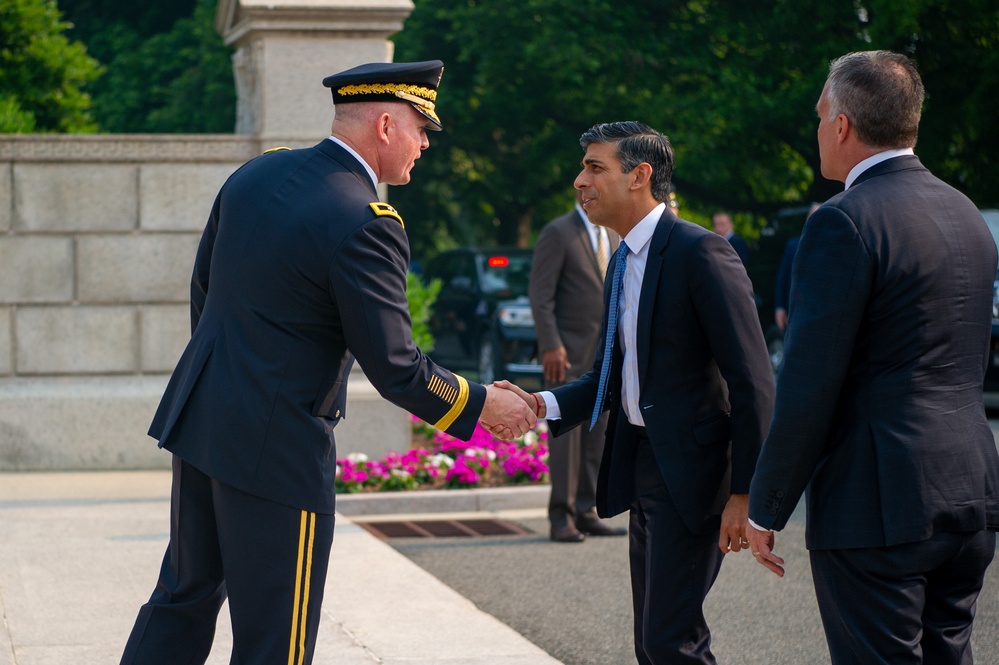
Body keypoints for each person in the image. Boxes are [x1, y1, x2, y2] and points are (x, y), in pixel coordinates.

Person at [119, 60, 535, 665]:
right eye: (423, 129)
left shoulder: (256, 174)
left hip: (204, 419)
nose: (425, 145)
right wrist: (481, 405)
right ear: (387, 125)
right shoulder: (366, 222)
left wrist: (233, 382)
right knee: (276, 642)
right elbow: (396, 367)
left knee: (181, 600)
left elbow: (205, 293)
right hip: (278, 445)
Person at [746, 50, 999, 665]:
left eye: (818, 116)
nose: (817, 132)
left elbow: (808, 381)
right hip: (971, 487)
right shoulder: (965, 212)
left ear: (840, 125)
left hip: (878, 500)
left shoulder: (844, 222)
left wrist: (766, 503)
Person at [497, 121, 774, 663]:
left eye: (595, 167)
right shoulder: (623, 259)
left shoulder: (702, 253)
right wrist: (538, 405)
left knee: (671, 643)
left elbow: (754, 382)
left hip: (692, 478)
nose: (580, 180)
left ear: (641, 176)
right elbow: (606, 374)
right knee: (653, 643)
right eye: (583, 168)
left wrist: (746, 494)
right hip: (643, 465)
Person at [529, 191, 627, 543]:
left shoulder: (614, 233)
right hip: (565, 355)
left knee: (598, 431)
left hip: (605, 353)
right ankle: (561, 516)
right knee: (566, 436)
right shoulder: (558, 232)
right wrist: (550, 344)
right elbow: (540, 296)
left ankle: (586, 511)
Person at [773, 203, 819, 332]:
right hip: (796, 309)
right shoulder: (792, 245)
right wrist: (780, 307)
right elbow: (783, 277)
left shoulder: (834, 245)